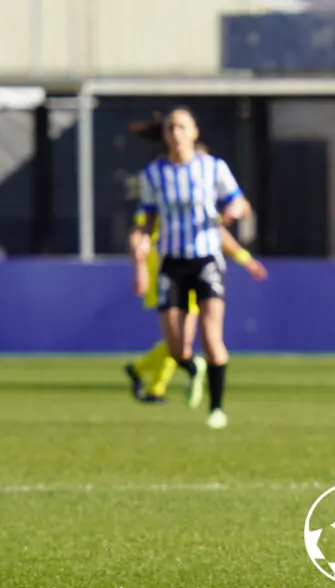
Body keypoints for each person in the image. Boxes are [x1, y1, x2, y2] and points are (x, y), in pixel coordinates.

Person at [128, 107, 266, 428]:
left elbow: (240, 203)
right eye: (170, 128)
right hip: (171, 263)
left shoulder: (212, 168)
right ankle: (193, 369)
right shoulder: (154, 175)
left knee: (211, 336)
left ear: (193, 131)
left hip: (206, 261)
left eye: (181, 126)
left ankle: (216, 408)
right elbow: (146, 220)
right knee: (176, 347)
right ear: (165, 135)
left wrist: (235, 209)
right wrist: (141, 241)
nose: (175, 133)